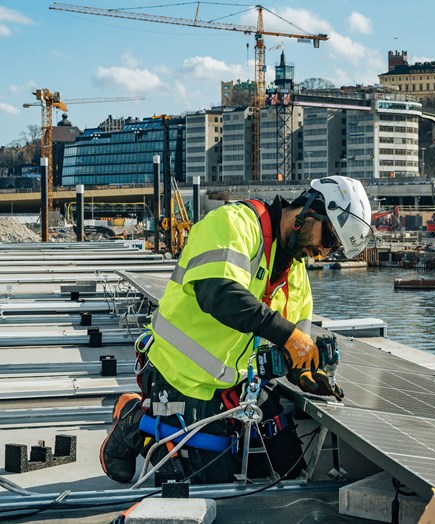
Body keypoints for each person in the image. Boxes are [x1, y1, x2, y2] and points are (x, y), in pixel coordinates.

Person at [100, 175, 372, 484]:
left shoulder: (295, 273)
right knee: (210, 485)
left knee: (289, 465)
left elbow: (296, 340)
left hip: (237, 384)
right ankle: (134, 421)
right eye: (329, 240)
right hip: (179, 375)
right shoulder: (235, 223)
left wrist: (304, 372)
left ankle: (171, 427)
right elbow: (218, 293)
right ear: (310, 210)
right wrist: (288, 337)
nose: (324, 252)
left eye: (334, 249)